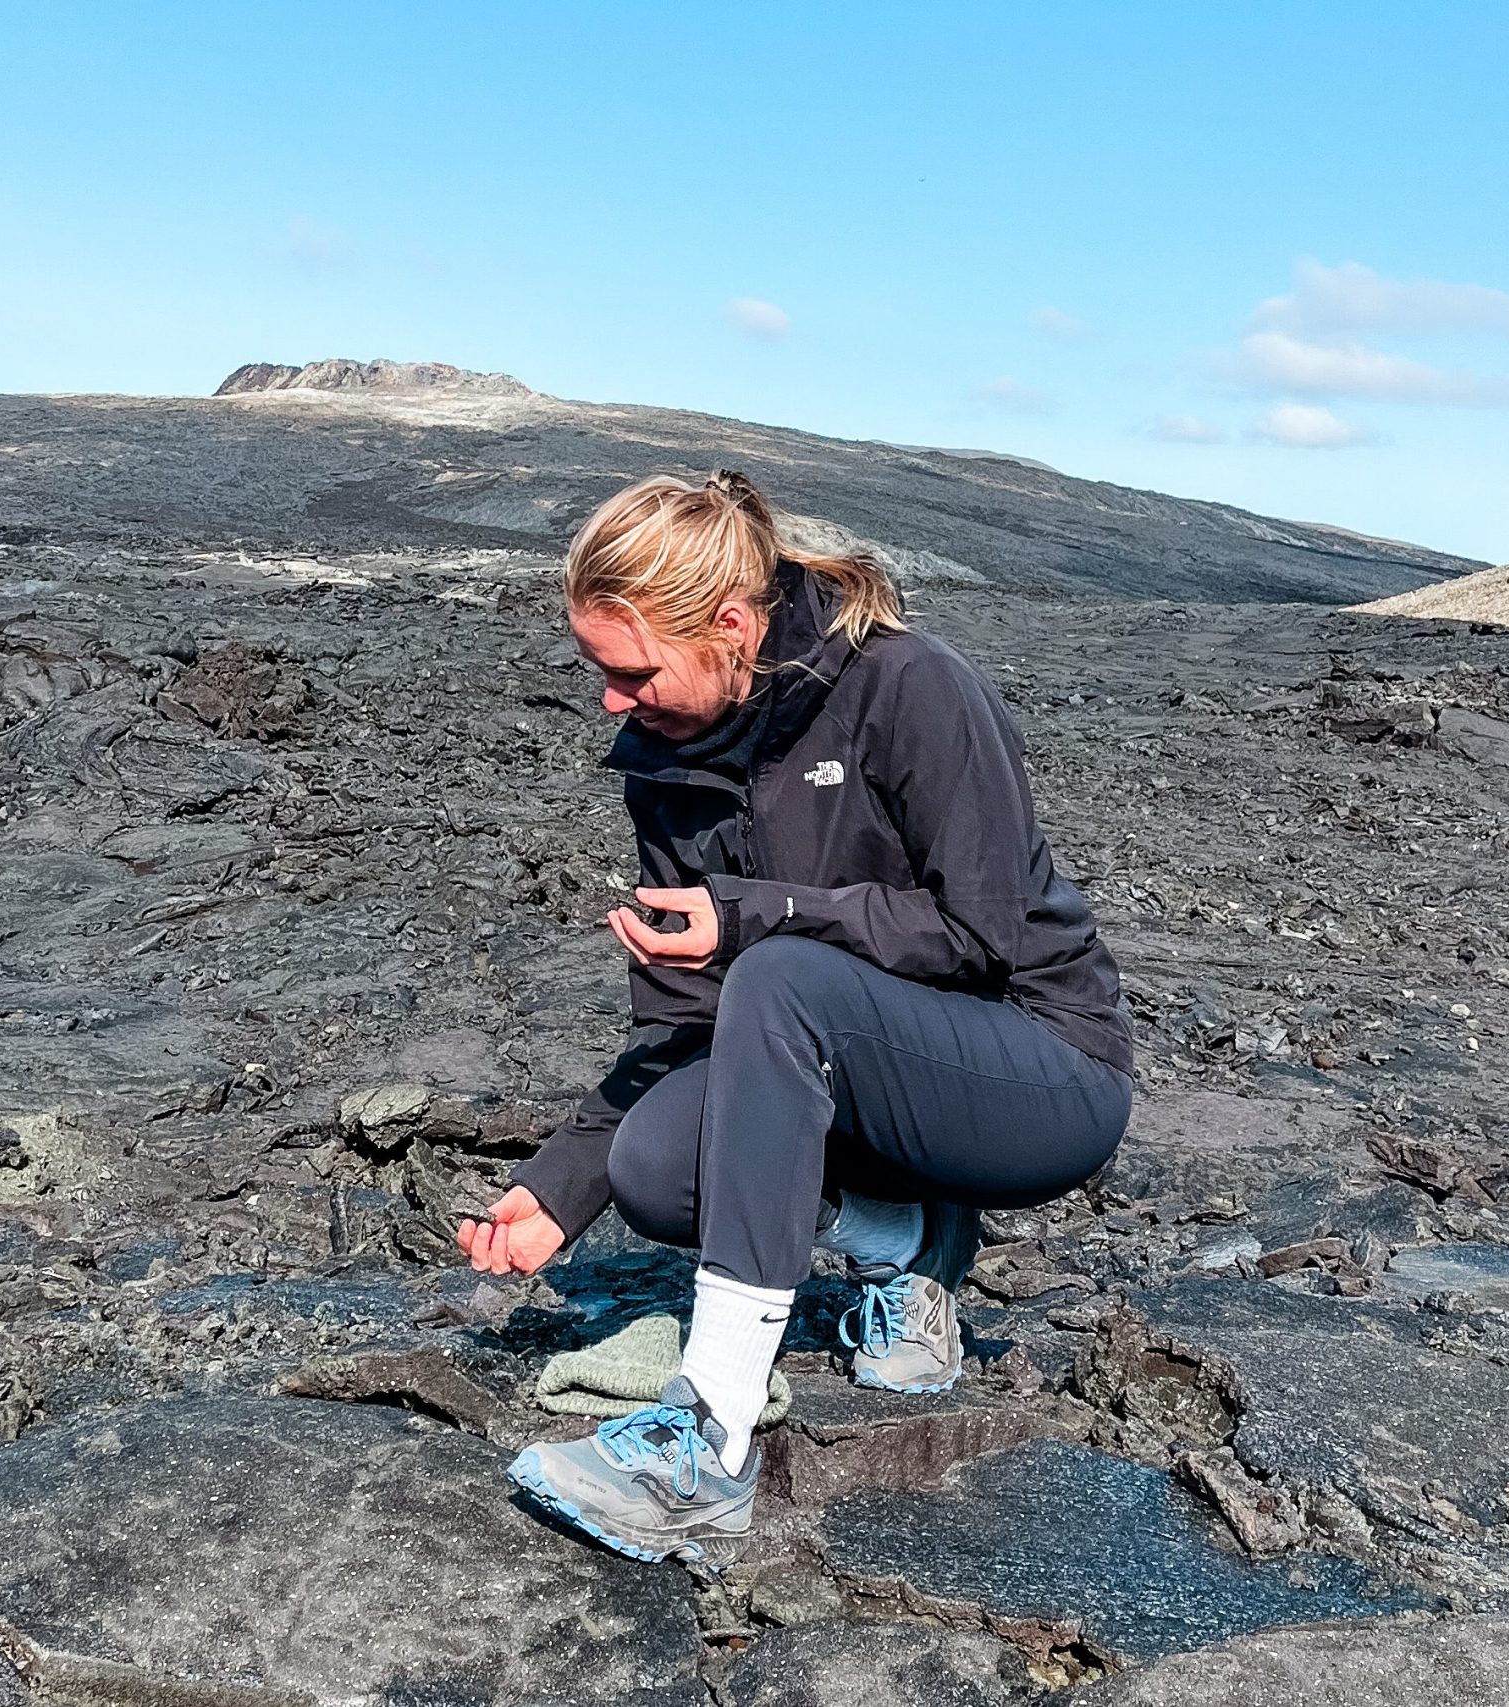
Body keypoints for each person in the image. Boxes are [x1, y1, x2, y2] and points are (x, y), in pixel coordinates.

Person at [455, 470, 1133, 1562]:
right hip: (862, 1079)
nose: (611, 702)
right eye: (599, 673)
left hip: (1040, 1071)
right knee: (653, 1164)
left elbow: (984, 933)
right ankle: (908, 1240)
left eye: (630, 672)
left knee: (777, 975)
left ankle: (705, 1440)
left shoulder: (912, 686)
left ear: (727, 625)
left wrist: (756, 916)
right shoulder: (668, 768)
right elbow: (686, 1025)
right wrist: (558, 1187)